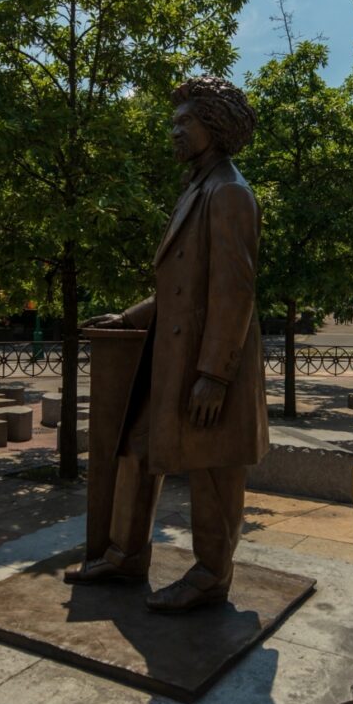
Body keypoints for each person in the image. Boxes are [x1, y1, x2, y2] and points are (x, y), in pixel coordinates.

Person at [70, 76, 266, 613]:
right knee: (136, 447)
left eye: (186, 122)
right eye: (175, 123)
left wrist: (216, 375)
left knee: (213, 469)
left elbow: (234, 291)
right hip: (175, 358)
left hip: (206, 363)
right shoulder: (199, 188)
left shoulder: (229, 192)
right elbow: (179, 289)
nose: (175, 132)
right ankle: (127, 554)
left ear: (215, 127)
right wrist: (128, 317)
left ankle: (210, 575)